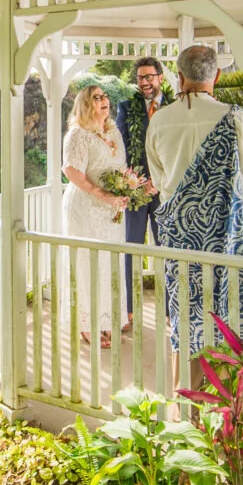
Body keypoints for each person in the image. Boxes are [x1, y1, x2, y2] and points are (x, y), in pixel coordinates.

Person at [145, 44, 243, 356]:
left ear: (179, 78)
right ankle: (231, 397)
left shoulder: (160, 121)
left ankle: (187, 399)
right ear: (217, 75)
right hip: (229, 238)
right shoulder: (239, 121)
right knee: (231, 321)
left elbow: (158, 181)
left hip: (179, 237)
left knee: (186, 318)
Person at [60, 84, 127, 348]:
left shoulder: (113, 131)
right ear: (85, 105)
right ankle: (86, 324)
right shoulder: (77, 134)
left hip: (110, 209)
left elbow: (119, 168)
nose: (103, 101)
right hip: (85, 207)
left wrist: (126, 187)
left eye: (105, 96)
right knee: (87, 262)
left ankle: (108, 318)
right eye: (96, 97)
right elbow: (72, 171)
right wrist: (102, 194)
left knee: (110, 262)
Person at [114, 57, 170, 328]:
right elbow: (121, 146)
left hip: (165, 192)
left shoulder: (175, 107)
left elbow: (177, 149)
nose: (145, 82)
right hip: (137, 190)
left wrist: (159, 182)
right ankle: (129, 311)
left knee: (168, 250)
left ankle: (172, 311)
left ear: (160, 77)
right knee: (130, 249)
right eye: (140, 78)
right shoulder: (126, 107)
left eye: (149, 77)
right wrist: (134, 181)